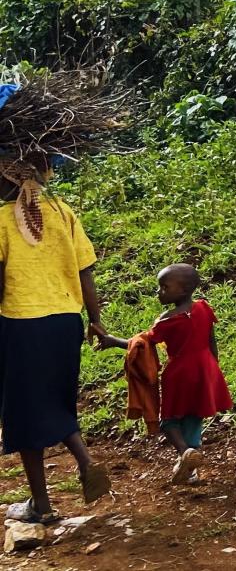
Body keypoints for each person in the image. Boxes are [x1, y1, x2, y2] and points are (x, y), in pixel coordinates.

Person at [0, 155, 111, 523]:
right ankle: (85, 461)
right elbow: (86, 271)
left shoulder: (1, 220)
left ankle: (41, 505)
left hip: (21, 323)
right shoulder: (63, 212)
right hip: (67, 322)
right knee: (56, 399)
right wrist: (96, 321)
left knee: (22, 413)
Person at [97, 263, 232, 484]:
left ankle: (184, 453)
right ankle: (191, 467)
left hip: (179, 373)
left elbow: (141, 345)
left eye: (164, 287)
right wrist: (213, 370)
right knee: (193, 415)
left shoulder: (166, 321)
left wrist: (113, 341)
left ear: (184, 290)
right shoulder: (204, 308)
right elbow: (212, 341)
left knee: (168, 421)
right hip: (205, 368)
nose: (159, 292)